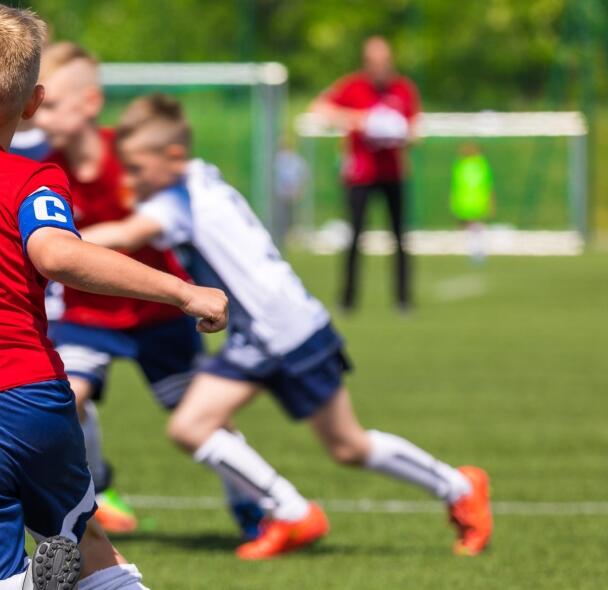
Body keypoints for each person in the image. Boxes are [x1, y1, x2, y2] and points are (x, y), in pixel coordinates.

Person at [0, 6, 229, 588]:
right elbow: (59, 253)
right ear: (34, 103)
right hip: (29, 398)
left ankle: (26, 585)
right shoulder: (28, 179)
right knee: (88, 541)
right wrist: (184, 292)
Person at [81, 93, 493, 560]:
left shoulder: (177, 200)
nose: (131, 181)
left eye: (137, 168)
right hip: (266, 330)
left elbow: (122, 235)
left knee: (347, 446)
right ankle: (291, 510)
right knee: (194, 426)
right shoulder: (199, 179)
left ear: (173, 156)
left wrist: (46, 241)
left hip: (284, 330)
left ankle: (458, 486)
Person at [31, 41, 261, 538]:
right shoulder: (44, 173)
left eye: (49, 104)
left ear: (89, 104)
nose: (38, 116)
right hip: (87, 317)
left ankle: (252, 505)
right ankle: (98, 486)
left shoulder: (136, 157)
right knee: (66, 397)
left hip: (157, 315)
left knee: (202, 418)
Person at [310, 35, 420, 314]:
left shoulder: (403, 89)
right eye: (375, 61)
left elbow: (415, 128)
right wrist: (359, 120)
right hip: (361, 174)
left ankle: (403, 299)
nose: (380, 67)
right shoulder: (353, 86)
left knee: (399, 236)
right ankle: (348, 299)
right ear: (366, 63)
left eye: (385, 61)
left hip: (393, 173)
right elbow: (319, 108)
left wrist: (398, 131)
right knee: (355, 236)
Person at [449, 142, 494, 265]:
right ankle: (473, 250)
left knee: (477, 226)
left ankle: (478, 251)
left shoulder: (481, 165)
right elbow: (455, 185)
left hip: (478, 200)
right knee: (469, 226)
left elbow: (488, 184)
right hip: (465, 201)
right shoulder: (460, 165)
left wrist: (490, 201)